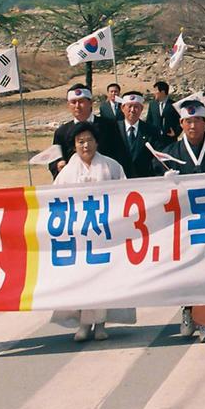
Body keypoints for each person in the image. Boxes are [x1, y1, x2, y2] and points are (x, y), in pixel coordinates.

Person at [155, 99, 205, 342]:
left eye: (197, 121)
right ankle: (187, 310)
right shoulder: (170, 154)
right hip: (184, 223)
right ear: (181, 123)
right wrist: (164, 179)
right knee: (187, 272)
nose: (193, 126)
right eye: (188, 121)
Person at [51, 122, 136, 341]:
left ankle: (100, 324)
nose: (85, 145)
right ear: (74, 145)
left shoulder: (111, 166)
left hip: (106, 235)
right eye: (80, 142)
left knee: (104, 280)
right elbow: (56, 202)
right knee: (81, 281)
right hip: (79, 237)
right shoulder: (66, 174)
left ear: (97, 142)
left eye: (89, 140)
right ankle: (83, 323)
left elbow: (125, 195)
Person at [49, 85, 125, 180]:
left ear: (90, 103)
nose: (77, 106)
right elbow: (54, 160)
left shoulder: (109, 126)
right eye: (73, 102)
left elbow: (121, 154)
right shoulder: (62, 132)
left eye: (81, 102)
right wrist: (58, 165)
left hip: (106, 181)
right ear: (68, 105)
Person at [115, 91, 161, 178]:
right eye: (129, 106)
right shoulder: (113, 129)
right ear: (122, 108)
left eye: (136, 107)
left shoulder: (151, 131)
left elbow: (157, 156)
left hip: (144, 180)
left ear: (141, 109)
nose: (132, 110)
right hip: (119, 179)